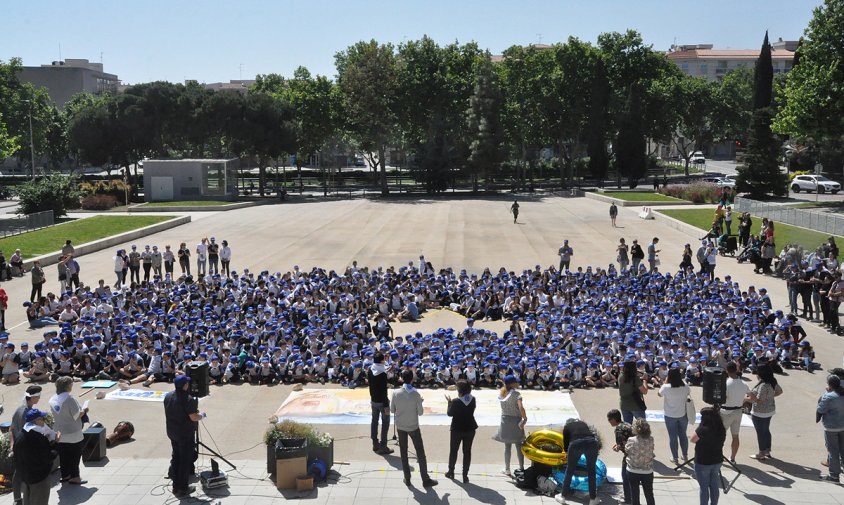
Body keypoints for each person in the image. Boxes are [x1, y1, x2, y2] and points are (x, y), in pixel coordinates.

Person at [390, 369, 437, 487]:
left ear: (401, 378)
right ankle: (425, 479)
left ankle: (407, 478)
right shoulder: (416, 394)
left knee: (403, 452)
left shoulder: (395, 393)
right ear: (412, 379)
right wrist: (420, 402)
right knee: (420, 452)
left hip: (401, 426)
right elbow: (420, 413)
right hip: (413, 427)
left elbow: (392, 410)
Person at [164, 375, 202, 498]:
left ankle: (175, 487)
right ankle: (182, 489)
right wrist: (202, 415)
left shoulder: (168, 396)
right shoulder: (188, 399)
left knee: (176, 458)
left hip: (172, 432)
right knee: (184, 461)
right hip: (184, 434)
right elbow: (193, 417)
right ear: (185, 385)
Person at [49, 376, 88, 485]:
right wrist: (84, 410)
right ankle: (75, 477)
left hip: (59, 432)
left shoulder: (53, 398)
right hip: (73, 432)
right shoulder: (70, 399)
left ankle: (65, 475)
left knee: (63, 455)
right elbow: (76, 415)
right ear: (67, 386)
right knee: (75, 456)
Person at [16, 408, 59, 505]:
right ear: (37, 421)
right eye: (42, 419)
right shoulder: (39, 438)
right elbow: (48, 457)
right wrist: (56, 443)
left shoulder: (20, 435)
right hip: (39, 479)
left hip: (26, 478)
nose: (44, 421)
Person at [11, 386, 43, 505]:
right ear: (33, 397)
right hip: (26, 447)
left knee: (18, 472)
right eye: (38, 397)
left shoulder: (18, 410)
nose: (39, 399)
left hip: (18, 446)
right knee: (26, 474)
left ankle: (17, 499)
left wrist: (12, 445)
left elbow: (11, 429)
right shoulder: (29, 413)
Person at [557, 418, 600, 505]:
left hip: (576, 444)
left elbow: (566, 446)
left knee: (569, 471)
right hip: (592, 442)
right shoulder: (582, 423)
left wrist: (569, 454)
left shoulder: (566, 427)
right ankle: (592, 499)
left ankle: (562, 496)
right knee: (591, 471)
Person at [691, 407, 727, 505]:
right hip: (717, 460)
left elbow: (693, 439)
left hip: (703, 462)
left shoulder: (702, 429)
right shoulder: (721, 428)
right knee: (714, 485)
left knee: (704, 487)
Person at [746, 364, 782, 460]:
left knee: (760, 432)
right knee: (766, 430)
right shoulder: (772, 381)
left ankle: (761, 452)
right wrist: (770, 397)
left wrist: (747, 397)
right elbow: (779, 391)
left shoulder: (763, 385)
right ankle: (767, 450)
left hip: (759, 412)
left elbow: (759, 400)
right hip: (769, 410)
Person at [445, 379, 478, 483]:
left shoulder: (455, 401)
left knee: (454, 451)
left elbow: (450, 413)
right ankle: (465, 475)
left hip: (457, 429)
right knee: (467, 452)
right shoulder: (473, 399)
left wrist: (449, 403)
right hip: (470, 428)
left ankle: (451, 471)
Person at [494, 374, 526, 477]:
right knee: (518, 445)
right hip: (516, 421)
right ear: (512, 384)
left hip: (505, 421)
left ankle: (507, 469)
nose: (518, 383)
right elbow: (521, 407)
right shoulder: (517, 394)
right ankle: (521, 468)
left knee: (507, 446)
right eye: (516, 382)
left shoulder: (502, 393)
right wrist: (525, 418)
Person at [658, 367, 690, 464]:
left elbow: (659, 394)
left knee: (673, 437)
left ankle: (675, 458)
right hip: (683, 414)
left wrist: (665, 382)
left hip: (670, 415)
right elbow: (688, 393)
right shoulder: (685, 386)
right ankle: (685, 456)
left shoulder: (666, 387)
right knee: (683, 435)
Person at [719, 361, 749, 464]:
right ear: (736, 370)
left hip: (726, 411)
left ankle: (719, 456)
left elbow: (723, 398)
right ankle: (732, 458)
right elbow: (752, 396)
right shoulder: (744, 383)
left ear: (727, 371)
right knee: (735, 436)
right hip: (738, 411)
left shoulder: (726, 384)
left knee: (721, 435)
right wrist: (742, 399)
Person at [817, 374, 844, 482]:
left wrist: (826, 393)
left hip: (832, 428)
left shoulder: (829, 396)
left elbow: (820, 409)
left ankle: (834, 476)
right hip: (843, 426)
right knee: (843, 450)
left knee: (833, 451)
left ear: (829, 384)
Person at [367, 352, 393, 455]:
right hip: (382, 401)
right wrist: (386, 405)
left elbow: (379, 370)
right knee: (385, 422)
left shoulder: (371, 369)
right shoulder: (382, 374)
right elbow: (383, 391)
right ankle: (383, 446)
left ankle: (375, 442)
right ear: (382, 361)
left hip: (373, 399)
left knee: (374, 421)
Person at [625, 418, 656, 505]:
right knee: (649, 494)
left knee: (635, 495)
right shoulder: (651, 439)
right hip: (647, 471)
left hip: (633, 470)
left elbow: (627, 450)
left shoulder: (631, 440)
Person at [607, 409, 634, 505]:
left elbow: (623, 446)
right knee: (632, 478)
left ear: (614, 419)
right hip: (638, 453)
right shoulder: (627, 424)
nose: (609, 422)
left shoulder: (618, 429)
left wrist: (617, 448)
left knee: (625, 476)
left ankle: (628, 499)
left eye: (609, 419)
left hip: (630, 456)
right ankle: (632, 497)